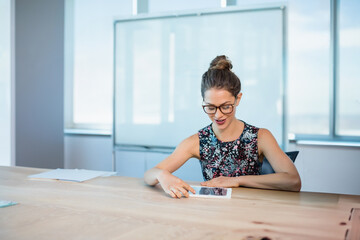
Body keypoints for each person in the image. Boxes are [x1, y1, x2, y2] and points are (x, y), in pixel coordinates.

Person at [144, 55, 301, 198]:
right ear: (203, 102)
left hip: (253, 212)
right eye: (211, 107)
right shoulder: (197, 141)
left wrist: (237, 181)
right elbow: (150, 174)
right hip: (213, 214)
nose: (218, 115)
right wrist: (162, 175)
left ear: (237, 99)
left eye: (226, 106)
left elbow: (293, 181)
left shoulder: (260, 137)